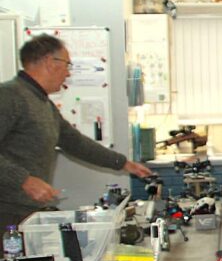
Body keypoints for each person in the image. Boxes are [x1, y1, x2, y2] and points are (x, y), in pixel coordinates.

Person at [0, 34, 154, 228]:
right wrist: (24, 180)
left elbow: (75, 142)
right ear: (50, 62)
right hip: (5, 211)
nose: (68, 74)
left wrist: (123, 163)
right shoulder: (9, 96)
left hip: (26, 212)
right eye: (67, 65)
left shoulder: (43, 103)